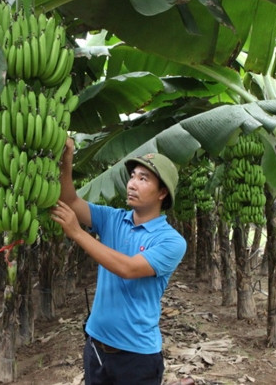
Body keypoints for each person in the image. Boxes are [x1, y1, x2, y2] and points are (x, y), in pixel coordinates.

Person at [50, 138, 187, 385]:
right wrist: (66, 162)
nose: (132, 184)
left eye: (143, 179)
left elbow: (128, 268)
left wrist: (78, 233)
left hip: (137, 357)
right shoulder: (112, 218)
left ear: (162, 192)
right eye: (132, 176)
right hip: (96, 347)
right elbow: (71, 201)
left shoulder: (171, 241)